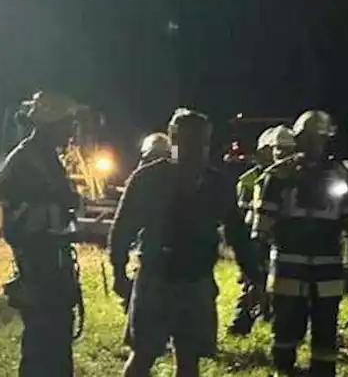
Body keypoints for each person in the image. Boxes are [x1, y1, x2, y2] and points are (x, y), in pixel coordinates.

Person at [109, 108, 262, 377]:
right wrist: (119, 271)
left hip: (196, 280)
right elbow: (123, 228)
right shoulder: (148, 179)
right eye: (190, 142)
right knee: (143, 355)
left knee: (189, 358)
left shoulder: (216, 183)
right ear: (174, 140)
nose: (197, 150)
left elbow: (237, 233)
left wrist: (254, 278)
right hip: (156, 279)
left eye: (203, 142)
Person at [253, 109, 348, 377]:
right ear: (298, 138)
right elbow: (262, 222)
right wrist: (255, 264)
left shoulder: (339, 175)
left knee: (325, 329)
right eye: (308, 138)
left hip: (327, 267)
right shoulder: (279, 175)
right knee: (285, 328)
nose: (313, 144)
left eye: (318, 138)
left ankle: (323, 372)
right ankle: (284, 370)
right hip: (287, 266)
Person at [0, 91, 84, 377]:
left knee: (56, 351)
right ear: (50, 125)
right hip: (38, 271)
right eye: (67, 123)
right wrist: (58, 211)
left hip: (52, 270)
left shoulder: (44, 157)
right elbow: (5, 218)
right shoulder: (23, 161)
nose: (71, 130)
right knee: (41, 353)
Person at [227, 125, 297, 336]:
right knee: (253, 280)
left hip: (282, 237)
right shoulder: (251, 179)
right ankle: (241, 321)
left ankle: (272, 316)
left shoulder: (292, 176)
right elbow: (241, 209)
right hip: (256, 235)